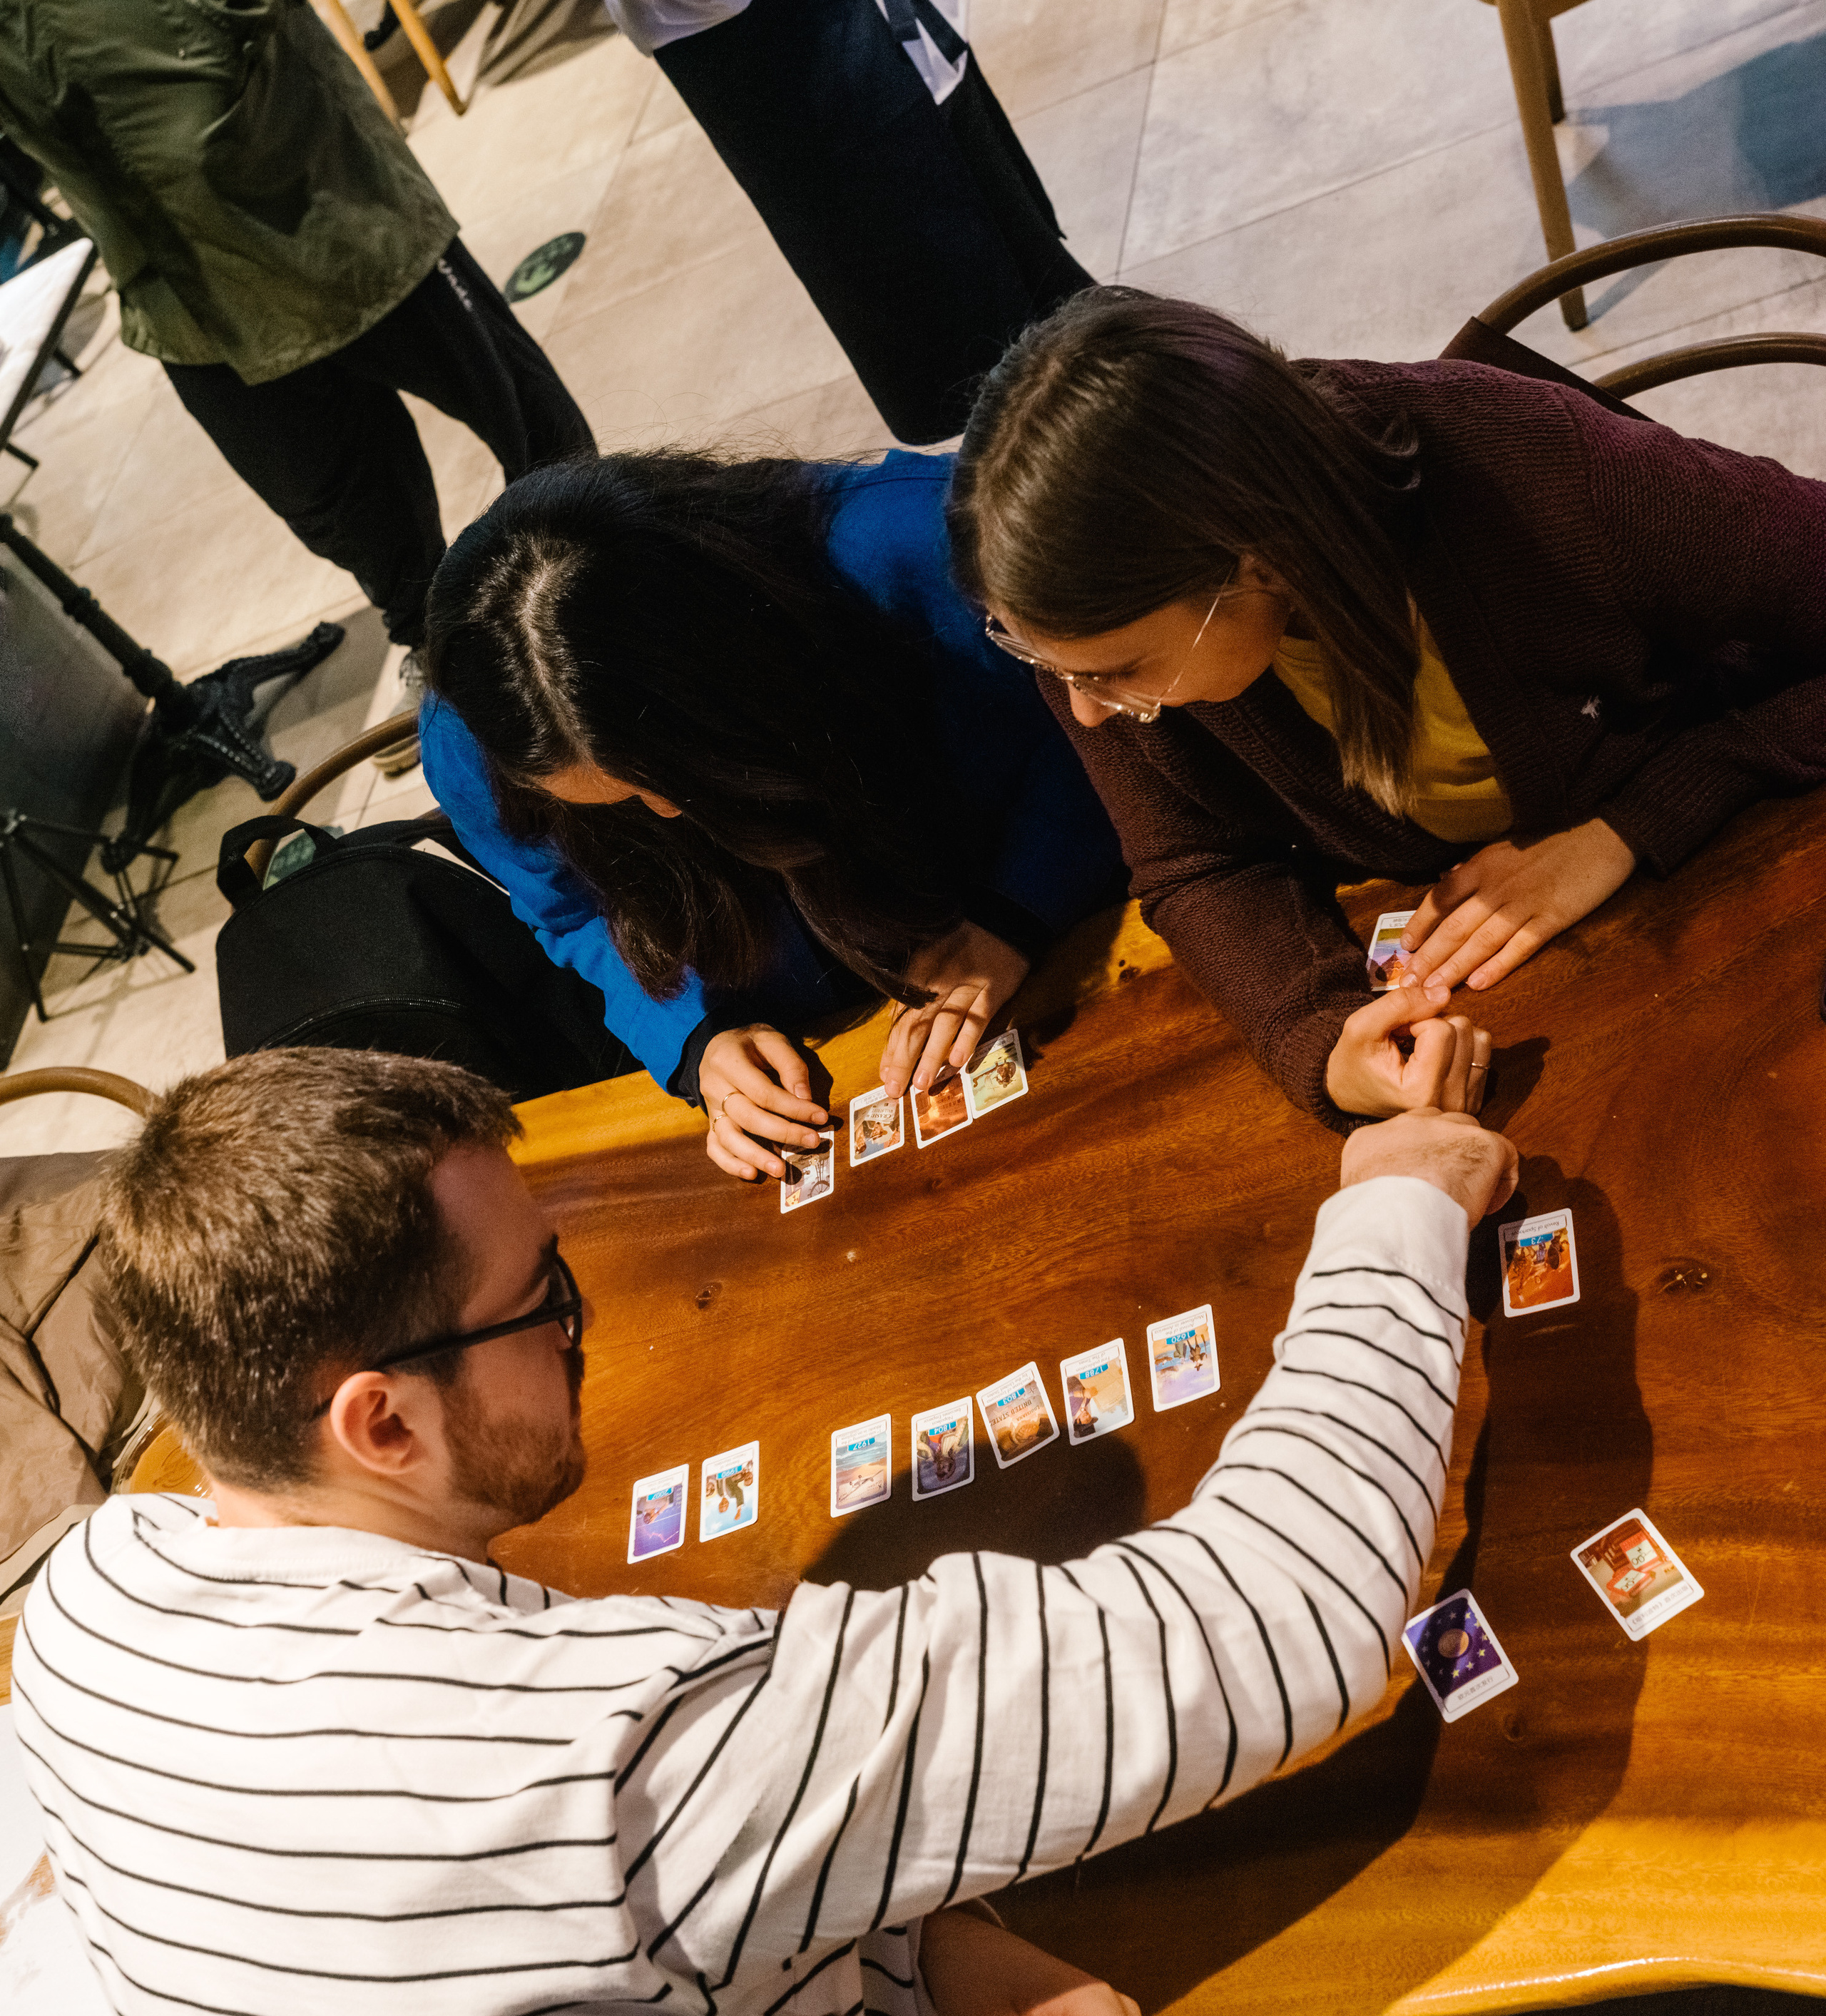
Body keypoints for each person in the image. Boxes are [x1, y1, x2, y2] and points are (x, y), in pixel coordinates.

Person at [12, 1048, 1514, 2016]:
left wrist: (917, 1957)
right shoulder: (628, 1762)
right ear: (380, 1420)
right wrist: (1397, 1204)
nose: (575, 1327)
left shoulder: (87, 1599)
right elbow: (1280, 1614)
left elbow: (532, 1969)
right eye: (541, 1300)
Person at [946, 287, 1826, 1131]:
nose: (1086, 714)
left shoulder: (1534, 467)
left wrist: (1635, 821)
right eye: (1039, 662)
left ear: (1258, 563)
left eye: (1117, 670)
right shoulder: (1083, 616)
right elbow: (1195, 859)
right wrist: (1320, 1038)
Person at [419, 447, 1127, 1181]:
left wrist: (1014, 908)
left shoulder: (914, 544)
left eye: (686, 777)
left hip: (1065, 932)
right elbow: (570, 913)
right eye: (622, 805)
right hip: (814, 1021)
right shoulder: (471, 742)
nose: (667, 811)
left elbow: (1097, 732)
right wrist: (697, 1036)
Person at [0, 0, 593, 773]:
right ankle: (434, 638)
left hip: (307, 174)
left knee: (506, 402)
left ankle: (590, 580)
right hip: (170, 271)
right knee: (326, 490)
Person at [606, 0, 1093, 445]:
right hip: (794, 61)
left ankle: (1099, 414)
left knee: (1032, 277)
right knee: (972, 336)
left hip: (880, 46)